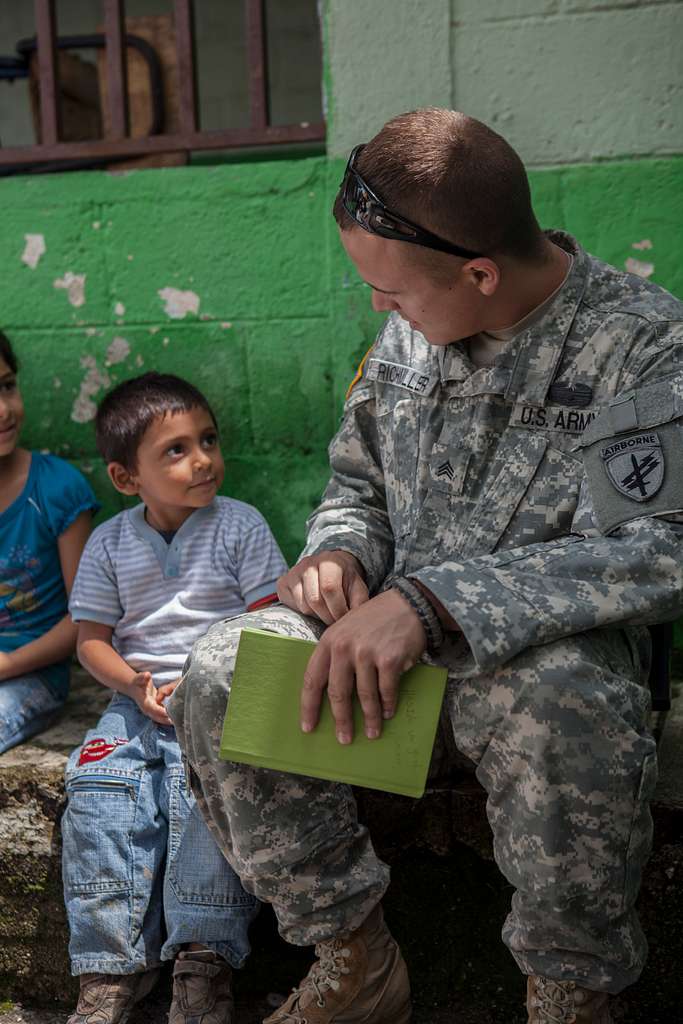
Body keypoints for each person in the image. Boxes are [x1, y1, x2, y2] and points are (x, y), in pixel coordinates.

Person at [168, 109, 683, 1024]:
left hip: (525, 685)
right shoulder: (417, 319)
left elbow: (658, 550)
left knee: (566, 694)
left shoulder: (645, 349)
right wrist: (337, 551)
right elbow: (354, 484)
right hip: (386, 683)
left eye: (389, 291)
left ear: (480, 273)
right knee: (224, 667)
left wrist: (431, 604)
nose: (378, 308)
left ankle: (569, 992)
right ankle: (352, 957)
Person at [61, 372, 288, 1024]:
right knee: (98, 791)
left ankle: (200, 962)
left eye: (208, 440)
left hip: (217, 697)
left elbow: (269, 624)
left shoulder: (239, 527)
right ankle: (107, 971)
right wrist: (132, 683)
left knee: (203, 799)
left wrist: (205, 682)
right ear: (126, 478)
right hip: (136, 701)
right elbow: (91, 641)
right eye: (176, 450)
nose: (203, 460)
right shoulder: (109, 541)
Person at [0, 330, 97, 754]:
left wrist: (5, 665)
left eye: (6, 386)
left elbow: (85, 616)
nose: (3, 410)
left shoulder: (55, 489)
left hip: (31, 675)